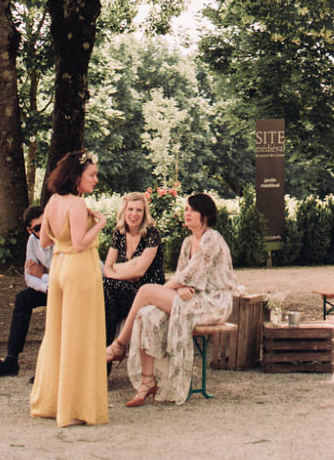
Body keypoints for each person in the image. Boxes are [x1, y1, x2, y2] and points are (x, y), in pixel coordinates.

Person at [106, 192, 237, 407]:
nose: (186, 214)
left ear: (204, 214)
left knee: (147, 292)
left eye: (191, 210)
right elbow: (184, 275)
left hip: (213, 301)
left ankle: (119, 345)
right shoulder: (187, 242)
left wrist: (166, 290)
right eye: (185, 209)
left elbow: (191, 273)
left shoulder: (212, 238)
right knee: (145, 313)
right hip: (191, 295)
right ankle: (147, 381)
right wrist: (182, 288)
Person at [29, 151, 109, 427]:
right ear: (77, 177)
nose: (96, 180)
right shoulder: (76, 204)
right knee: (80, 336)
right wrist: (100, 223)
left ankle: (53, 402)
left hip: (60, 269)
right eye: (92, 175)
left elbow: (44, 242)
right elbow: (79, 243)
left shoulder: (52, 202)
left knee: (59, 333)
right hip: (79, 269)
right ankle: (77, 407)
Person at [0, 205, 51, 378]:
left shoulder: (62, 238)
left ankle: (51, 367)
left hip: (73, 289)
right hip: (52, 287)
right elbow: (29, 278)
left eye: (46, 225)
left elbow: (69, 276)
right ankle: (11, 360)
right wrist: (47, 285)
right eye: (37, 228)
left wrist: (43, 276)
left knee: (58, 308)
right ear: (30, 231)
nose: (43, 231)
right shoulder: (32, 243)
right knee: (22, 299)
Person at [102, 191, 165, 345]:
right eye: (130, 209)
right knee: (106, 299)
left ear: (144, 213)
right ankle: (106, 350)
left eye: (139, 210)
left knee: (105, 286)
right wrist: (121, 272)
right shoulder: (119, 233)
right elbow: (107, 267)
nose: (134, 214)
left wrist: (116, 271)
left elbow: (139, 272)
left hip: (148, 293)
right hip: (124, 290)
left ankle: (107, 352)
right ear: (124, 211)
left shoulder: (152, 234)